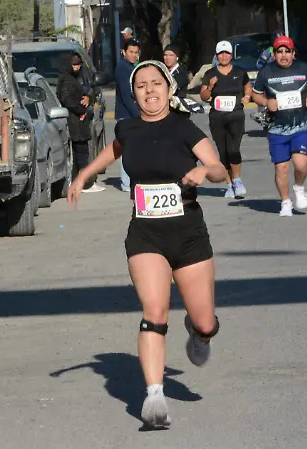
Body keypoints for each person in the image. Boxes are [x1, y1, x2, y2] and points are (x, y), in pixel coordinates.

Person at [67, 60, 228, 429]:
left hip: (188, 233)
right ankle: (154, 396)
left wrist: (205, 170)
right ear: (133, 93)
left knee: (205, 321)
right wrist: (85, 173)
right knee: (154, 311)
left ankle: (200, 333)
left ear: (169, 90)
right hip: (146, 234)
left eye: (156, 83)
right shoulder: (128, 127)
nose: (150, 90)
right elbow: (115, 149)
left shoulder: (184, 127)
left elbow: (219, 169)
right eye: (141, 86)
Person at [251, 36, 307, 217]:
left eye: (287, 51)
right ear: (274, 54)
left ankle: (299, 187)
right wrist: (266, 102)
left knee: (301, 163)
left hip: (301, 125)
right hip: (276, 128)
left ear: (293, 53)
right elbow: (255, 94)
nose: (283, 55)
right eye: (279, 52)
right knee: (281, 168)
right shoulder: (266, 72)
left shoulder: (304, 68)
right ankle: (285, 202)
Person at [200, 41, 252, 199]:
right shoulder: (210, 73)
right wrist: (210, 87)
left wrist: (247, 96)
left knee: (233, 149)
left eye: (227, 53)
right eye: (221, 53)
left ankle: (237, 180)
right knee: (223, 152)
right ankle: (229, 184)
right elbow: (204, 96)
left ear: (231, 55)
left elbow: (247, 85)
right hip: (217, 117)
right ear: (217, 55)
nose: (224, 56)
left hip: (236, 116)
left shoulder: (240, 72)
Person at [57, 53, 105, 193]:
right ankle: (86, 184)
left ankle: (82, 182)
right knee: (81, 154)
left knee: (81, 153)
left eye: (79, 64)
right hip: (75, 122)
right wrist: (81, 110)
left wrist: (88, 98)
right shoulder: (66, 80)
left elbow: (88, 90)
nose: (77, 67)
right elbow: (67, 99)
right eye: (74, 64)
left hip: (80, 121)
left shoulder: (76, 77)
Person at [114, 39, 141, 193]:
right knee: (128, 149)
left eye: (136, 52)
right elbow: (126, 96)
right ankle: (126, 182)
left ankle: (131, 180)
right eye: (131, 52)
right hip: (126, 115)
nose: (134, 55)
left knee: (134, 149)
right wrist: (138, 115)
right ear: (123, 52)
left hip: (130, 113)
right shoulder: (123, 68)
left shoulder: (131, 67)